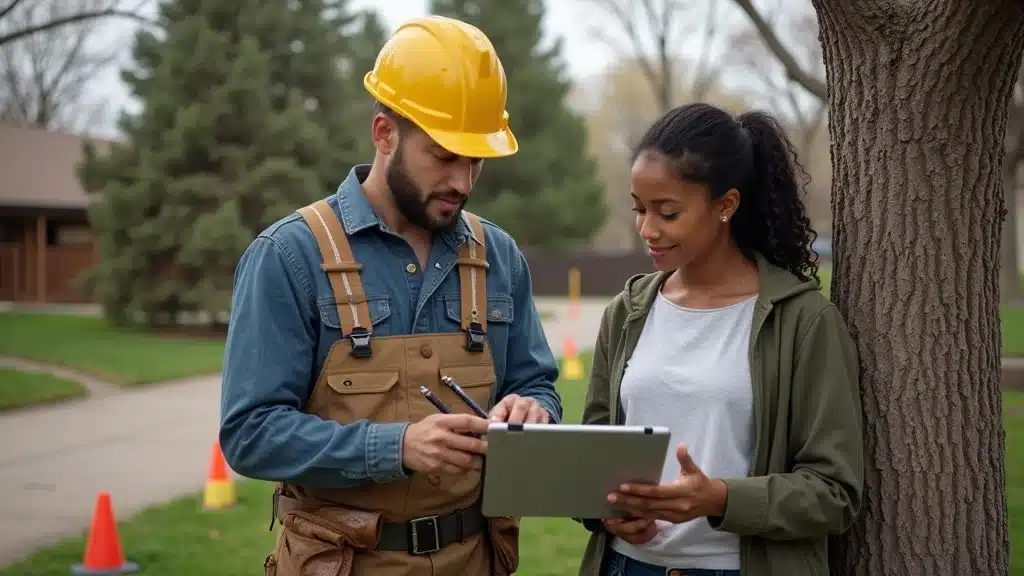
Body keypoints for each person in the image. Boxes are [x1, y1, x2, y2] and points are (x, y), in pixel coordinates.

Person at [218, 15, 562, 576]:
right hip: (342, 562)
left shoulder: (498, 255)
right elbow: (249, 433)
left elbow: (536, 383)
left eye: (475, 160)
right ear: (384, 134)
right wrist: (395, 447)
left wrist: (534, 410)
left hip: (476, 559)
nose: (463, 180)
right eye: (444, 155)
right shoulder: (288, 255)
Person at [575, 103, 864, 576]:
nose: (647, 229)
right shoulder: (625, 314)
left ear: (726, 205)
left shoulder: (804, 321)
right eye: (639, 209)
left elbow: (835, 492)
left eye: (667, 212)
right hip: (626, 567)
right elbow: (594, 456)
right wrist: (607, 510)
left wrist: (721, 499)